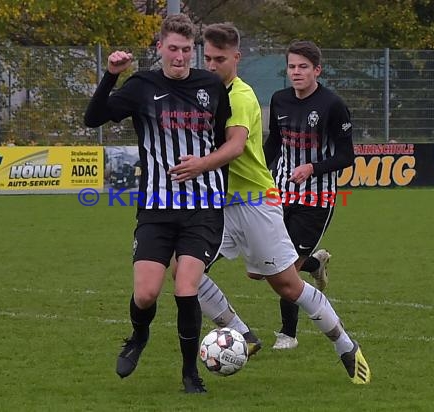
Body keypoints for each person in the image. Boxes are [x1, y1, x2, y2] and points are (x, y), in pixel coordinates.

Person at [169, 23, 371, 384]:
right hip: (222, 204)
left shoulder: (242, 97)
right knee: (185, 272)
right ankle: (243, 336)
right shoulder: (207, 91)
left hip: (256, 204)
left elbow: (232, 147)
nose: (211, 65)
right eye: (208, 58)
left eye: (219, 59)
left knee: (287, 286)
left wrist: (198, 164)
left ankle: (345, 345)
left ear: (236, 58)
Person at [83, 14, 241, 394]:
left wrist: (202, 164)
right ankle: (138, 337)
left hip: (203, 206)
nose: (181, 57)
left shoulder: (210, 86)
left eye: (187, 50)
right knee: (146, 293)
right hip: (155, 207)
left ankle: (190, 374)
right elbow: (93, 119)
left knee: (186, 286)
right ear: (160, 48)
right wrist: (111, 75)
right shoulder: (142, 85)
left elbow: (220, 138)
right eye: (173, 49)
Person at [264, 40, 356, 350]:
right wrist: (260, 171)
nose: (296, 72)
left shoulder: (332, 105)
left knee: (284, 268)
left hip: (316, 199)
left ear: (317, 70)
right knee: (268, 264)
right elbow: (274, 144)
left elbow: (347, 156)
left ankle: (288, 334)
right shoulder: (279, 100)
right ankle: (315, 265)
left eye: (303, 67)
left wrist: (312, 168)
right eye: (291, 66)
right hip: (280, 192)